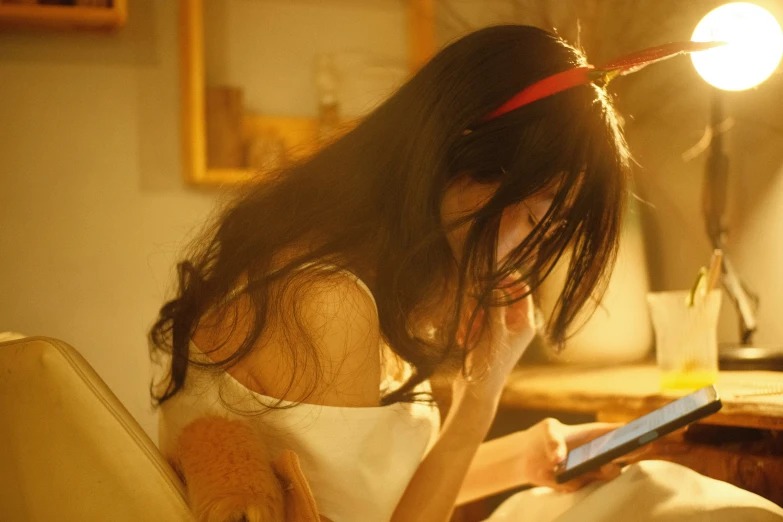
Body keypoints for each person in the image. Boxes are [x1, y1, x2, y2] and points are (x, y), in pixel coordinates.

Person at [149, 25, 783, 522]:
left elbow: (366, 490)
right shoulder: (327, 301)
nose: (530, 250)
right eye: (531, 215)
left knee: (664, 494)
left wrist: (525, 453)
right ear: (460, 163)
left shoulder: (337, 276)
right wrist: (479, 402)